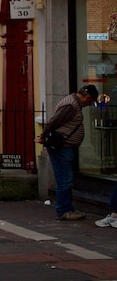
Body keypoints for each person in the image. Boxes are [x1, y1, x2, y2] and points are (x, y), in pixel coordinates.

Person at [36, 85, 95, 220]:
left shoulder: (72, 103)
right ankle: (63, 210)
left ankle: (67, 208)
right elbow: (54, 121)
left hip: (64, 146)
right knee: (65, 179)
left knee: (65, 179)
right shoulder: (71, 105)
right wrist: (43, 136)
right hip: (62, 147)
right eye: (90, 101)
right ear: (88, 97)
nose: (89, 104)